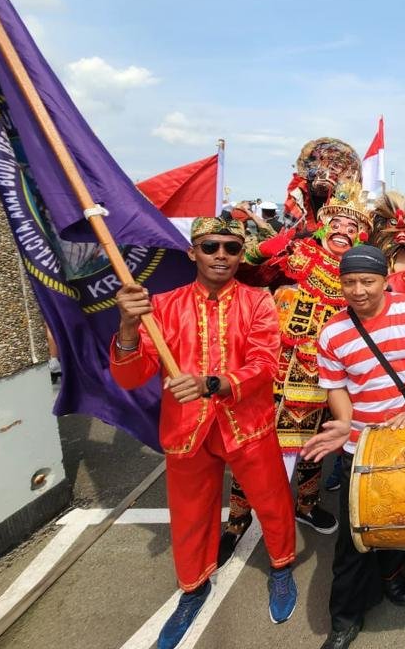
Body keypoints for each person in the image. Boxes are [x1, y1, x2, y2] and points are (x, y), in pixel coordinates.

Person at [111, 217, 297, 649]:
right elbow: (130, 376)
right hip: (186, 429)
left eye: (232, 248)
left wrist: (213, 383)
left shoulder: (258, 301)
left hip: (247, 424)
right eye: (211, 246)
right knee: (190, 514)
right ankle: (193, 588)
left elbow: (265, 365)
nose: (221, 255)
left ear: (241, 255)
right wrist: (128, 327)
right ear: (192, 252)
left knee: (272, 502)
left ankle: (282, 566)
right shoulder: (162, 306)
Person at [300, 245, 405, 649]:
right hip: (363, 446)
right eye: (349, 282)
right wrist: (344, 424)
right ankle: (345, 618)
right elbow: (336, 388)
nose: (358, 290)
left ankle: (391, 574)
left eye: (367, 281)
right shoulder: (332, 332)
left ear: (385, 279)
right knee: (354, 536)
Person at [222, 181, 371, 560]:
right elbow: (248, 271)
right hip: (273, 371)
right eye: (337, 223)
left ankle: (305, 505)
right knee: (257, 449)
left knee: (313, 449)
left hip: (324, 379)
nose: (343, 231)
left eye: (352, 227)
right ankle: (237, 519)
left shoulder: (357, 277)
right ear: (323, 226)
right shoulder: (298, 254)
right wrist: (272, 243)